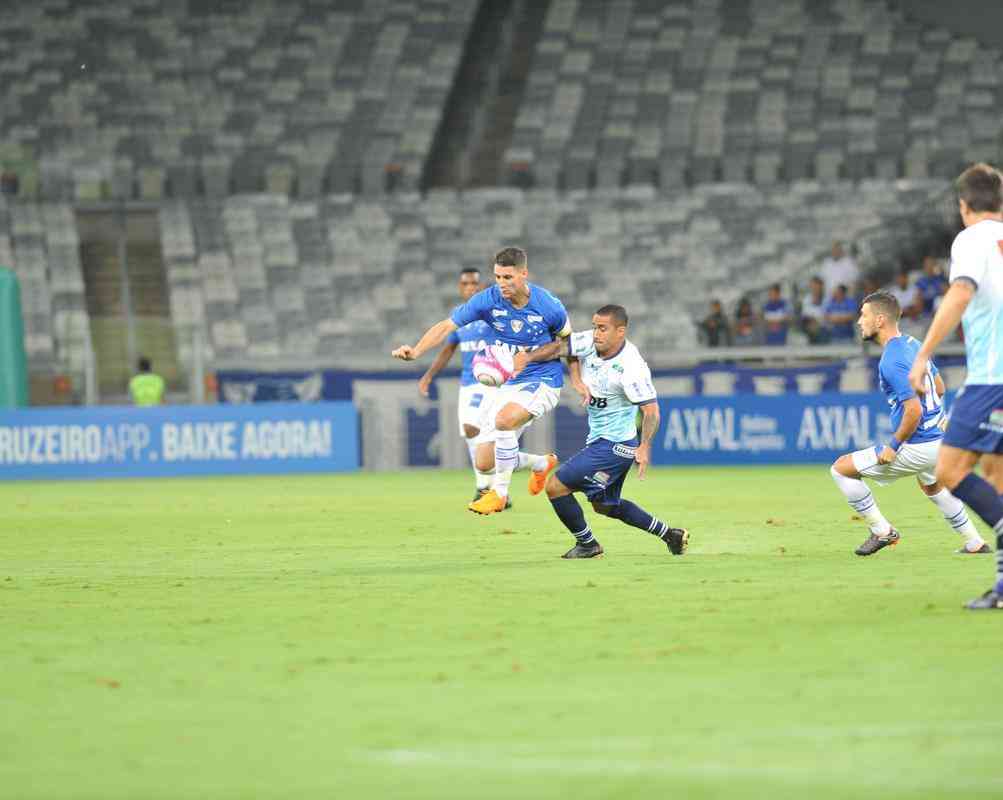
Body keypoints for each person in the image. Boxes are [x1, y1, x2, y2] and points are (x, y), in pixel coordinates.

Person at [392, 246, 571, 514]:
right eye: (498, 277)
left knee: (503, 421)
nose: (502, 284)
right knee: (484, 460)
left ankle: (498, 494)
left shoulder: (549, 305)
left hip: (543, 380)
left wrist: (537, 360)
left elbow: (568, 344)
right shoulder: (488, 300)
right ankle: (539, 464)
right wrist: (416, 351)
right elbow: (446, 326)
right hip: (509, 383)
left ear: (524, 274)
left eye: (508, 278)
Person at [519, 305, 688, 558]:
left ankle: (588, 545)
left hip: (615, 445)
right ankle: (670, 535)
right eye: (595, 326)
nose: (595, 333)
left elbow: (651, 411)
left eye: (602, 328)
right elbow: (562, 348)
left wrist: (644, 447)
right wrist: (530, 359)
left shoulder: (632, 368)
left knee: (555, 486)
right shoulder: (589, 340)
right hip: (601, 440)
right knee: (604, 506)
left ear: (621, 331)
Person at [908, 163, 1003, 610]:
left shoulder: (971, 239)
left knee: (948, 471)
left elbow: (962, 291)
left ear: (964, 206)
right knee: (995, 476)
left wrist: (924, 353)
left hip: (992, 378)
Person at [829, 291, 987, 556]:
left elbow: (912, 410)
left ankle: (882, 531)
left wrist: (893, 445)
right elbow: (938, 385)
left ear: (880, 320)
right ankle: (974, 542)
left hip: (919, 445)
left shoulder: (891, 359)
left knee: (841, 469)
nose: (859, 321)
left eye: (864, 315)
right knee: (931, 485)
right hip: (938, 440)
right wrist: (940, 419)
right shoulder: (913, 343)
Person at [800, 276, 828, 344]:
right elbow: (805, 316)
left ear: (821, 287)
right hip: (810, 327)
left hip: (824, 327)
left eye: (817, 286)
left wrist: (818, 321)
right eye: (813, 286)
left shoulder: (827, 299)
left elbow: (827, 316)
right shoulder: (806, 299)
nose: (815, 288)